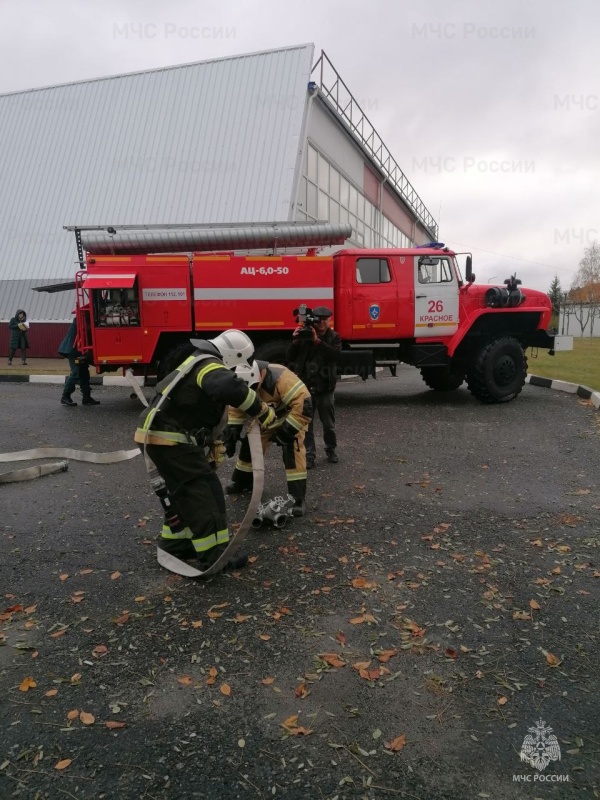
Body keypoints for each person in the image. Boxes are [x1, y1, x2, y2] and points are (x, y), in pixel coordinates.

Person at [134, 330, 277, 570]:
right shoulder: (209, 364)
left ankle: (176, 542)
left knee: (185, 492)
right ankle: (215, 554)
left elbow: (197, 408)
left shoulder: (196, 360)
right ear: (235, 355)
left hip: (161, 437)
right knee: (203, 493)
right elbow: (227, 387)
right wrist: (261, 410)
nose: (235, 372)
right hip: (169, 439)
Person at [223, 360, 312, 517]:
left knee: (292, 452)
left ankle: (297, 499)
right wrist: (232, 431)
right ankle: (243, 481)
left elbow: (304, 404)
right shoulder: (240, 382)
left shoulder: (282, 378)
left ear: (261, 374)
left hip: (291, 417)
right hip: (267, 418)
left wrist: (287, 431)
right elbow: (237, 407)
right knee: (250, 447)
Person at [287, 306, 342, 469]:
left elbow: (335, 355)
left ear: (330, 320)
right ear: (314, 320)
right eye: (319, 319)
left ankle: (331, 449)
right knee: (307, 424)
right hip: (306, 385)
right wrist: (296, 341)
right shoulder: (304, 334)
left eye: (326, 319)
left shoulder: (334, 337)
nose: (323, 322)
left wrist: (317, 341)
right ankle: (310, 454)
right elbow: (290, 356)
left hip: (325, 386)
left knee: (328, 424)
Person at [57, 311, 100, 406]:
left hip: (80, 351)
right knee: (76, 373)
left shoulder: (83, 320)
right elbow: (87, 330)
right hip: (73, 351)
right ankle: (65, 396)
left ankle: (87, 397)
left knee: (84, 373)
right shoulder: (79, 321)